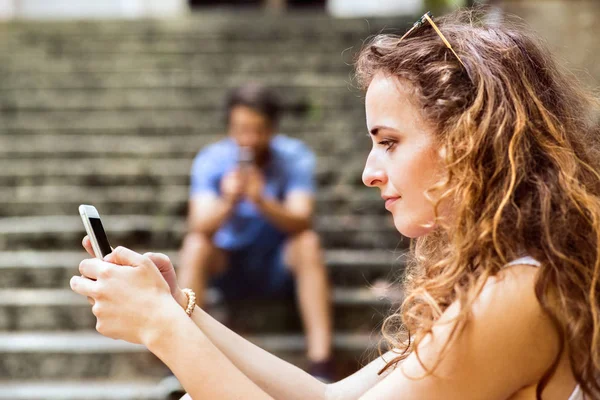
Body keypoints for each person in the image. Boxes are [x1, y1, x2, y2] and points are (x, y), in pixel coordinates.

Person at [71, 8, 600, 399]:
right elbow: (327, 397)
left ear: (470, 141)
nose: (369, 172)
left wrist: (162, 328)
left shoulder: (522, 290)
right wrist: (179, 309)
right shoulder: (497, 278)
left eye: (389, 141)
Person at [177, 83, 334, 379]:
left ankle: (321, 361)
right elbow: (198, 225)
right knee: (196, 245)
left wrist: (262, 200)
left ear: (273, 129)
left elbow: (303, 219)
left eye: (257, 129)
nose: (248, 138)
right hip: (228, 265)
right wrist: (229, 200)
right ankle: (182, 358)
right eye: (240, 129)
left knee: (308, 242)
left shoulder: (294, 157)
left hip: (277, 264)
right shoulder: (211, 159)